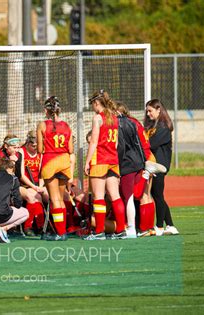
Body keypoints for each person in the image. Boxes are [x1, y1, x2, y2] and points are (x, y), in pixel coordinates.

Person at [116, 104, 166, 237]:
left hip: (142, 158)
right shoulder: (135, 122)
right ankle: (148, 228)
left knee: (141, 195)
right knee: (146, 195)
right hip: (147, 156)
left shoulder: (124, 123)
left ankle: (144, 228)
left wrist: (144, 161)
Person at [84, 90, 126, 240]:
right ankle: (121, 230)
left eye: (93, 104)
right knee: (115, 195)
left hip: (100, 159)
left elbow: (94, 141)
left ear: (97, 103)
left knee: (99, 196)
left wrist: (88, 161)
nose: (93, 108)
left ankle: (99, 232)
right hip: (113, 160)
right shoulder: (114, 117)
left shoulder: (98, 118)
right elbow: (115, 143)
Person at [36, 96, 74, 241]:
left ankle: (60, 232)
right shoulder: (67, 125)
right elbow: (70, 149)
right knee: (61, 198)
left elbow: (40, 149)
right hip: (64, 161)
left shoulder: (42, 125)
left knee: (55, 199)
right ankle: (61, 230)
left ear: (46, 110)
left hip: (50, 162)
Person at [144, 99, 179, 235]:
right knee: (157, 194)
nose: (148, 114)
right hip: (153, 164)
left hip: (160, 165)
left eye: (150, 111)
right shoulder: (154, 126)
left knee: (157, 195)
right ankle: (170, 225)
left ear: (159, 110)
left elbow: (151, 144)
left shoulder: (163, 127)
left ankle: (159, 227)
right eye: (147, 111)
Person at [20, 130, 47, 236]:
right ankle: (28, 226)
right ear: (28, 142)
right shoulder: (22, 151)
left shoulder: (41, 152)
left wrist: (40, 186)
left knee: (48, 196)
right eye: (33, 145)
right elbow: (21, 175)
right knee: (34, 196)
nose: (35, 147)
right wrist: (34, 187)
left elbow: (42, 172)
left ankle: (44, 226)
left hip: (38, 183)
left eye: (37, 145)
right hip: (24, 184)